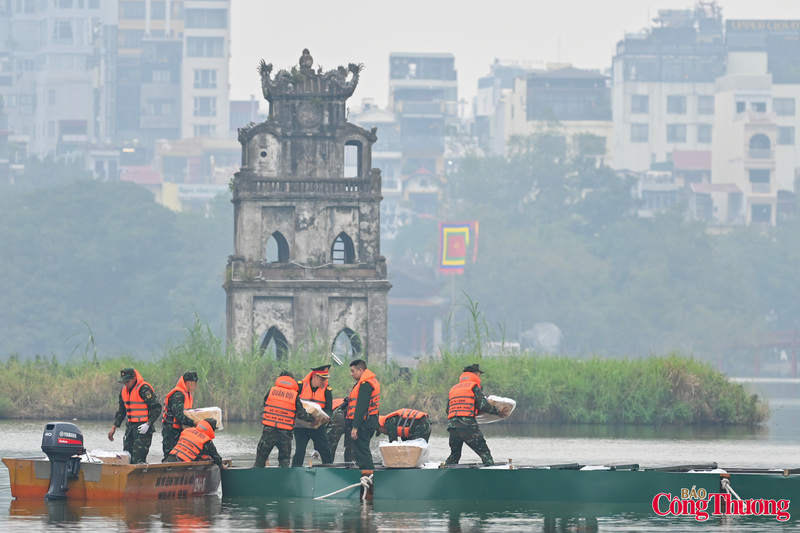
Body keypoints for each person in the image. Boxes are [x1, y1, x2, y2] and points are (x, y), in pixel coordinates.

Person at [445, 364, 504, 466]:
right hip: (467, 425)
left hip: (452, 426)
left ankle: (444, 472)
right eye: (479, 374)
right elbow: (483, 405)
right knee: (484, 451)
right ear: (476, 374)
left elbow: (448, 409)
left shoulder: (454, 389)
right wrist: (498, 412)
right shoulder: (473, 387)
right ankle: (493, 473)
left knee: (454, 455)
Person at [254, 371, 315, 468]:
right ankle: (283, 480)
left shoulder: (272, 391)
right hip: (285, 435)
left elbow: (266, 404)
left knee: (261, 458)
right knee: (284, 460)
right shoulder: (294, 395)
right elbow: (302, 415)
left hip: (269, 431)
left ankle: (254, 479)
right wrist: (313, 418)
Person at [108, 368, 162, 464]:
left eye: (127, 381)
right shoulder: (124, 391)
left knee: (138, 460)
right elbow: (121, 411)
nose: (125, 384)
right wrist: (113, 428)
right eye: (123, 382)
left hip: (143, 429)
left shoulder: (144, 389)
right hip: (130, 429)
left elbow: (157, 408)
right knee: (126, 458)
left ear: (134, 378)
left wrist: (148, 424)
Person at [292, 365, 334, 466]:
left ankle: (329, 472)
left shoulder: (327, 391)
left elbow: (329, 408)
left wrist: (327, 417)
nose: (324, 382)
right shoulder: (300, 387)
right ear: (314, 376)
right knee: (299, 452)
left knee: (326, 451)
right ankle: (295, 471)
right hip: (301, 427)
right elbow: (293, 405)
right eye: (322, 379)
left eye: (326, 379)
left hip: (318, 426)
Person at [345, 359, 380, 470]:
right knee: (363, 451)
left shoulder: (365, 385)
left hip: (363, 424)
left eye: (353, 371)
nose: (351, 374)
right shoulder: (370, 381)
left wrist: (355, 427)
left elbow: (361, 407)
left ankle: (369, 479)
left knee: (362, 454)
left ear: (360, 370)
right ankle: (369, 477)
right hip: (369, 422)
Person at [161, 371, 200, 458]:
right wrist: (194, 423)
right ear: (188, 382)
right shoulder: (178, 395)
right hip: (171, 432)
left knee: (181, 455)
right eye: (195, 383)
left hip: (180, 431)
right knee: (170, 455)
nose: (196, 385)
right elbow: (178, 415)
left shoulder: (187, 394)